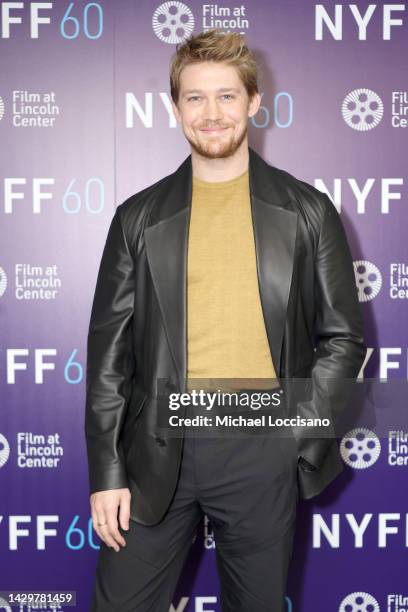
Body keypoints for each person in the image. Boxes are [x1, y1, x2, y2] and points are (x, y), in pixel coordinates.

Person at [85, 28, 366, 612]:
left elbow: (342, 338)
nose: (211, 114)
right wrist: (107, 471)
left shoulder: (308, 210)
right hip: (157, 445)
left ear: (254, 102)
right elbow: (110, 356)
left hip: (263, 442)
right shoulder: (136, 219)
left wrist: (294, 433)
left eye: (226, 96)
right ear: (175, 108)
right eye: (195, 98)